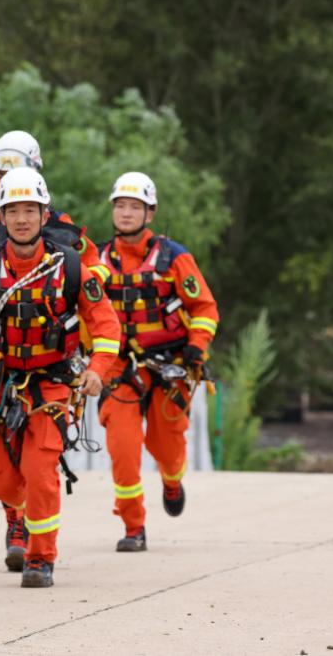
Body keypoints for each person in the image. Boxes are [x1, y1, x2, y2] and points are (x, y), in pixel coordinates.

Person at [0, 167, 121, 588]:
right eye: (14, 210)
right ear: (2, 215)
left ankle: (40, 558)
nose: (23, 218)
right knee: (2, 483)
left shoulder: (69, 268)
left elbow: (105, 326)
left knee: (41, 470)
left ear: (44, 214)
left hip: (51, 382)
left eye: (31, 209)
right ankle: (20, 516)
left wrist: (98, 372)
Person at [96, 172, 219, 552]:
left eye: (135, 207)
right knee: (123, 446)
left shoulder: (174, 257)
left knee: (167, 445)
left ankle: (171, 480)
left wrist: (197, 346)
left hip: (170, 364)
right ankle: (134, 526)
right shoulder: (98, 259)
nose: (127, 213)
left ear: (150, 213)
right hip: (120, 368)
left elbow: (205, 308)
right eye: (121, 206)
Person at [0, 130, 102, 277]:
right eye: (0, 175)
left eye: (13, 174)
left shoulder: (59, 224)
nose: (6, 182)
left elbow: (94, 269)